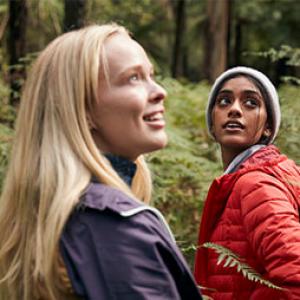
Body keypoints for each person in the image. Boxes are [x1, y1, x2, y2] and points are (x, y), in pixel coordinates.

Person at [0, 24, 202, 300]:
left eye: (151, 76)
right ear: (83, 111)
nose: (159, 91)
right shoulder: (115, 228)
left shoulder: (52, 217)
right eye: (133, 78)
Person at [194, 66, 300, 299]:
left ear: (268, 127)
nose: (234, 110)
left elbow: (295, 274)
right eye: (224, 101)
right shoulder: (248, 178)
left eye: (250, 103)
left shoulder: (256, 184)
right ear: (212, 122)